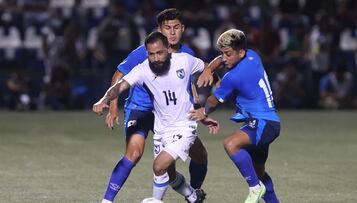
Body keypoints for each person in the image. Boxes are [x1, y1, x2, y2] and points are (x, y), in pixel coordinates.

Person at [93, 31, 219, 203]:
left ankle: (158, 200)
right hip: (160, 126)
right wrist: (104, 100)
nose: (156, 58)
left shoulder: (184, 60)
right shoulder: (142, 69)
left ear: (168, 49)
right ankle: (192, 196)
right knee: (167, 172)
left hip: (184, 126)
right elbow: (120, 85)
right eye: (151, 54)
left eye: (160, 53)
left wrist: (214, 79)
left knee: (159, 166)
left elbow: (207, 66)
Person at [190, 29, 281, 203]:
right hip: (269, 122)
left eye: (228, 54)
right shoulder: (252, 56)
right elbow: (219, 61)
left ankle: (254, 189)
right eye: (222, 53)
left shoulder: (235, 76)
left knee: (230, 144)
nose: (224, 58)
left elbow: (214, 100)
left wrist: (203, 112)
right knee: (259, 172)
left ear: (240, 52)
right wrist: (209, 69)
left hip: (262, 123)